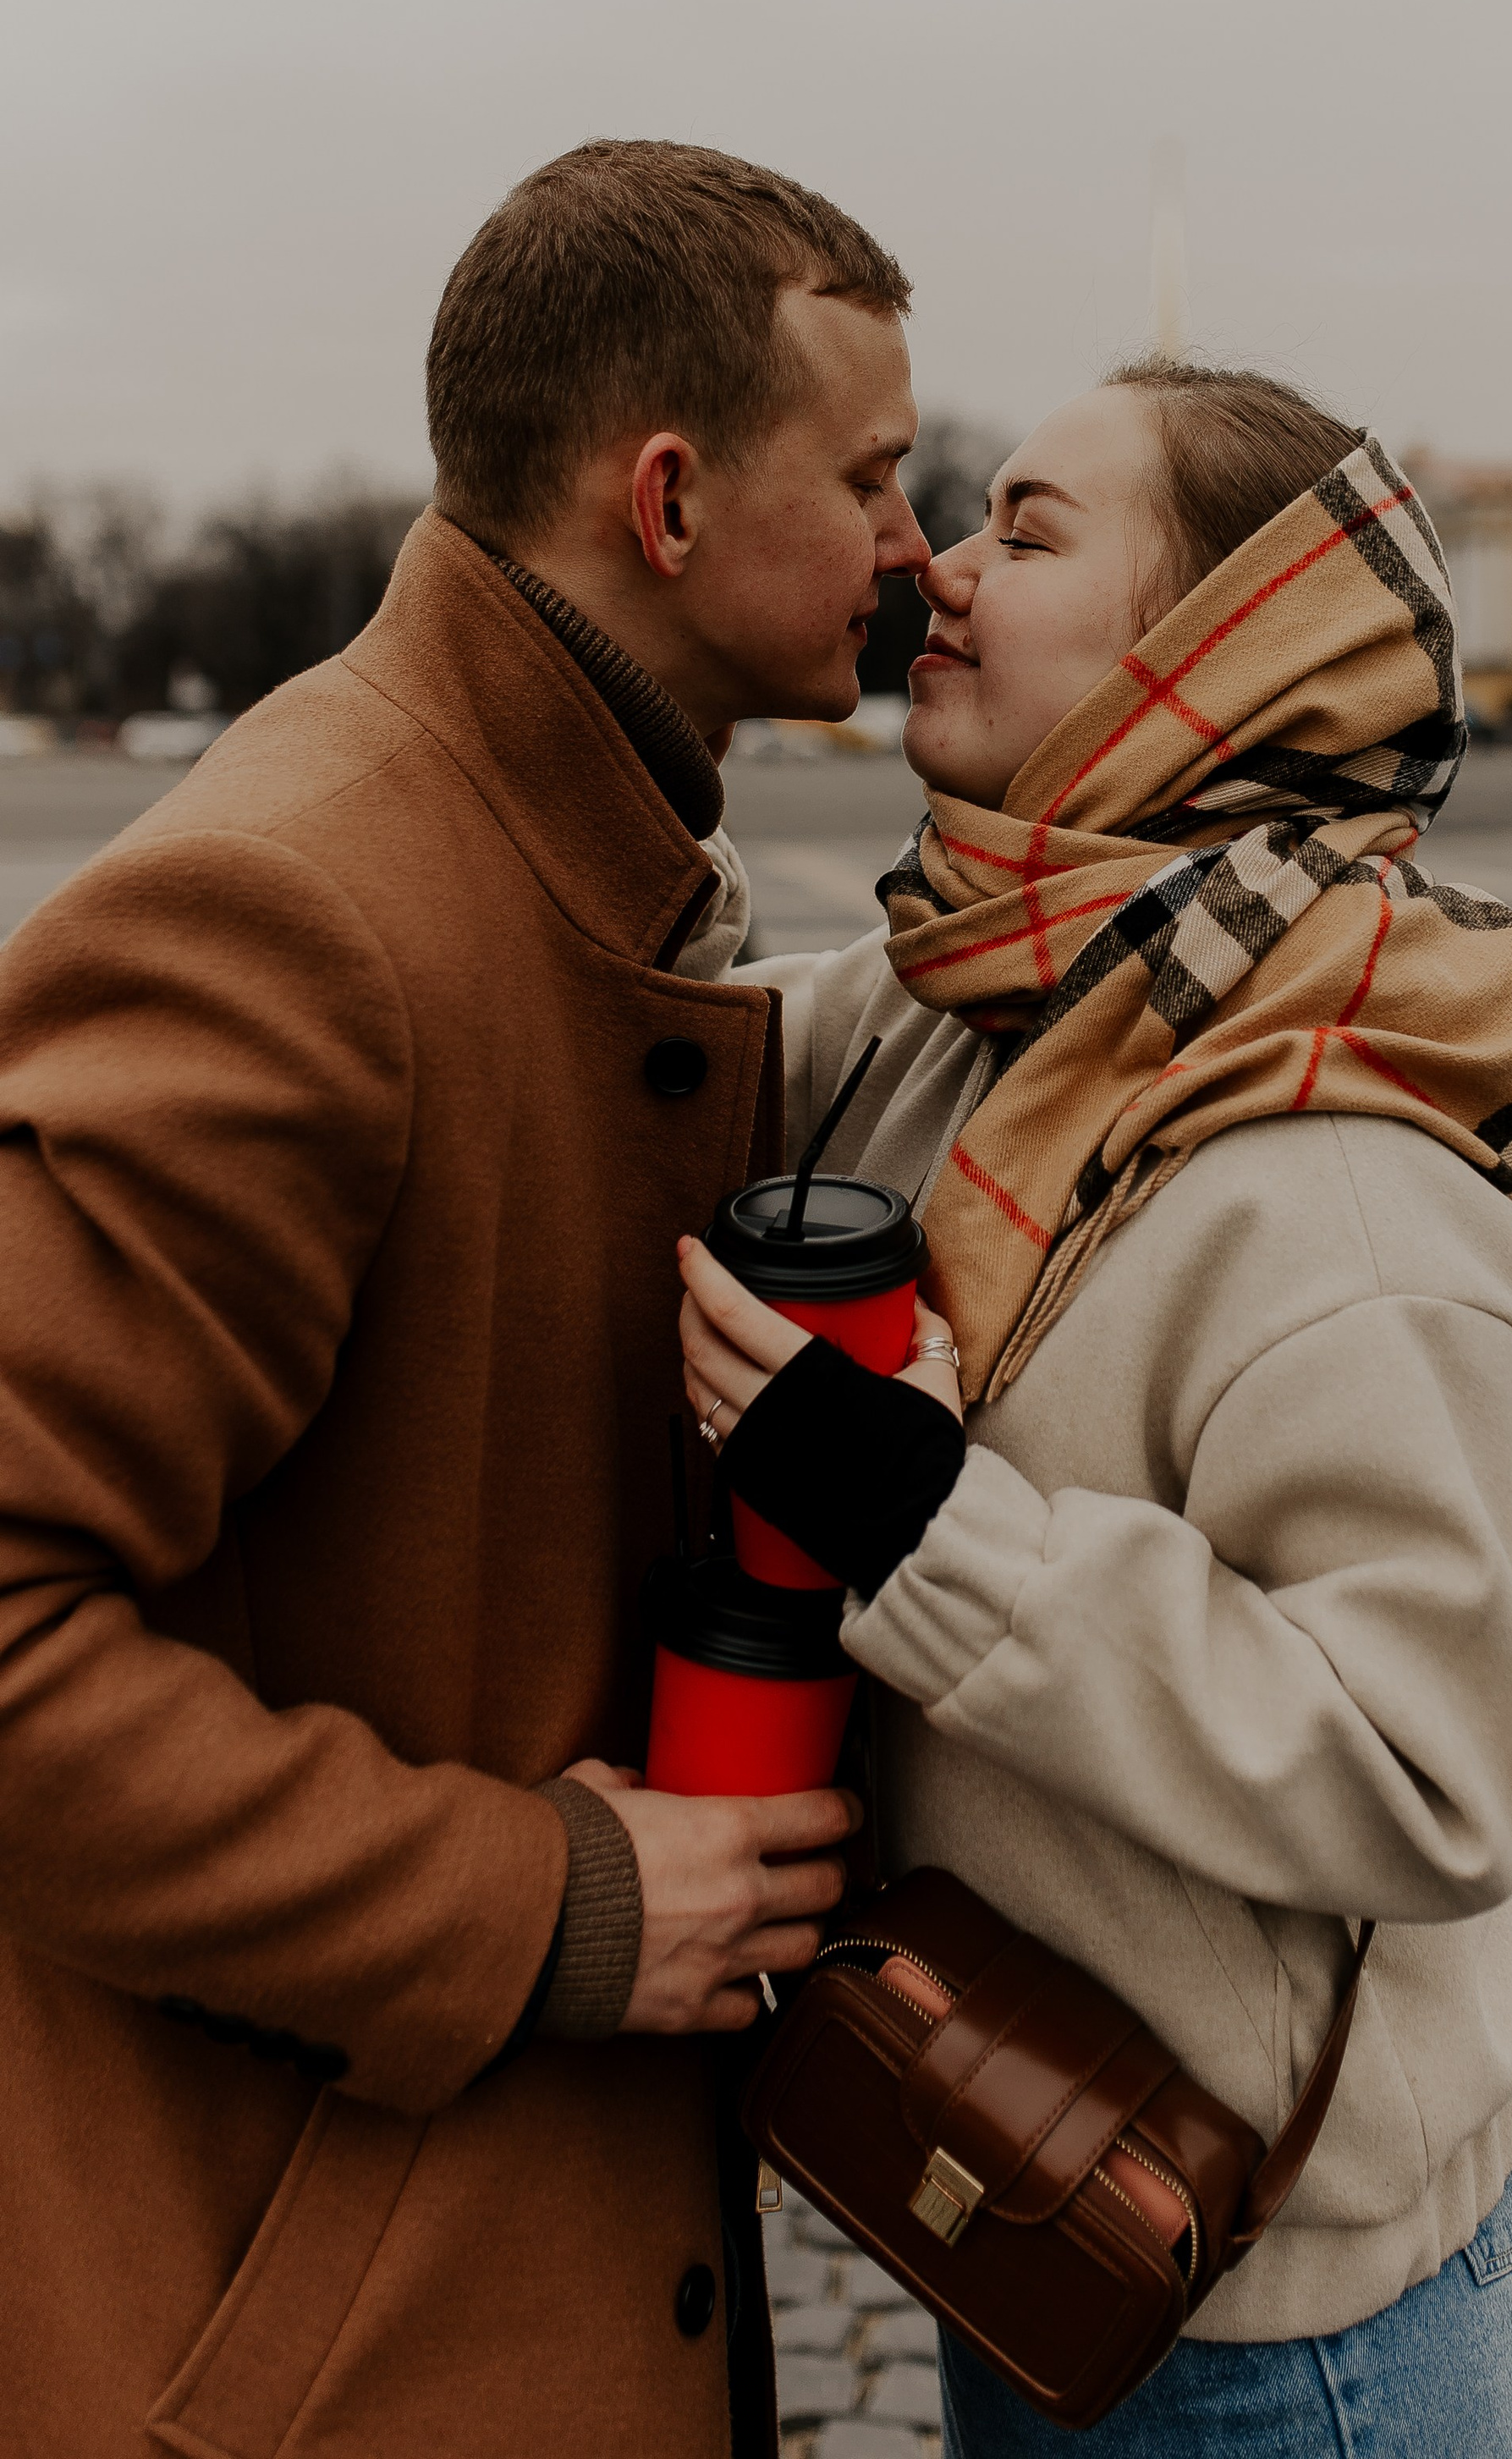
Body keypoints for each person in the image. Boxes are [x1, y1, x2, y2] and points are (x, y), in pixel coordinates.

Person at [0, 140, 931, 2459]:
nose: (922, 552)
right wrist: (539, 1902)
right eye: (881, 479)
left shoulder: (553, 839)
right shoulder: (306, 908)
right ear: (671, 500)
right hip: (318, 2324)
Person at [679, 361, 1512, 2458]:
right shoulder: (985, 1002)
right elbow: (655, 1032)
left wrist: (916, 1517)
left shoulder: (1343, 1170)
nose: (938, 561)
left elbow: (1433, 1770)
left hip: (1282, 2341)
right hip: (1032, 2180)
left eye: (1023, 525)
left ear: (1211, 649)